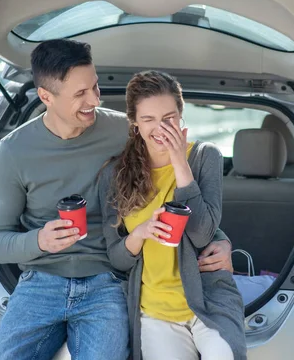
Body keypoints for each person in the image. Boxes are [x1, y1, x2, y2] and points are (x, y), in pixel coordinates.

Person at [0, 39, 233, 359]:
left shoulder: (124, 131)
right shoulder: (13, 150)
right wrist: (40, 240)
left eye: (95, 86)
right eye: (80, 94)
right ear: (46, 96)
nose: (95, 99)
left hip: (107, 281)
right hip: (40, 283)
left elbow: (171, 182)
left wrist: (219, 238)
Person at [99, 70, 247, 360]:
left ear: (181, 116)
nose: (160, 128)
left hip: (209, 300)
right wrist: (139, 233)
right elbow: (116, 258)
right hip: (155, 312)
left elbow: (202, 234)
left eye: (168, 118)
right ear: (134, 123)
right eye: (148, 119)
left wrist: (180, 162)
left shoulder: (205, 156)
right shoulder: (114, 175)